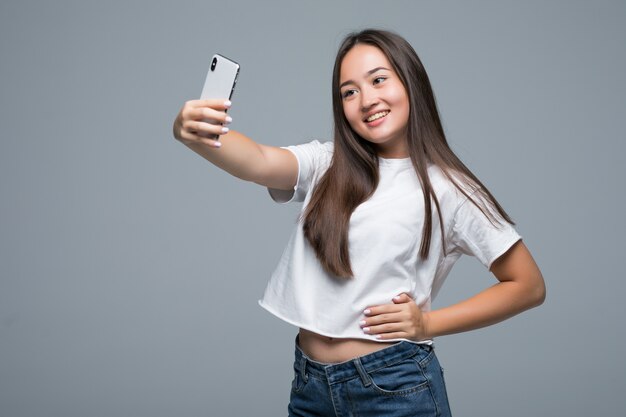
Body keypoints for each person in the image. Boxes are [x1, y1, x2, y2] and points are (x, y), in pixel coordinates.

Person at [172, 29, 545, 417]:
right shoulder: (327, 163)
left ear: (411, 82)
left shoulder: (449, 189)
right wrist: (195, 132)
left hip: (396, 387)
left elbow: (528, 285)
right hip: (310, 385)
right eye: (349, 92)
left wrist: (427, 323)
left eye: (378, 80)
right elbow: (258, 162)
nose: (366, 100)